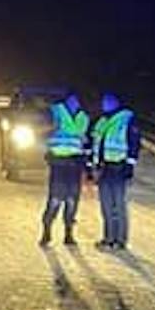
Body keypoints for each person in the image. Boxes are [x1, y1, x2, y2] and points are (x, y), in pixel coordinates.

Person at [90, 90, 140, 250]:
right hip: (104, 169)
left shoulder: (126, 119)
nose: (104, 104)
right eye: (103, 101)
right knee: (106, 206)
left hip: (119, 167)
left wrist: (130, 164)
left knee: (118, 205)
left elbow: (134, 143)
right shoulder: (101, 121)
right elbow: (95, 145)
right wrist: (93, 166)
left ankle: (120, 240)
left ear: (116, 102)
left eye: (108, 101)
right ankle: (108, 238)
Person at [40, 89, 89, 246]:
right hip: (59, 163)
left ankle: (68, 234)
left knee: (71, 200)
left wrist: (87, 163)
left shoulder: (84, 117)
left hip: (75, 164)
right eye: (75, 99)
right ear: (68, 99)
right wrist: (46, 150)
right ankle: (46, 232)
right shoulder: (55, 112)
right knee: (55, 199)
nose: (77, 103)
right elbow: (42, 132)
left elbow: (85, 141)